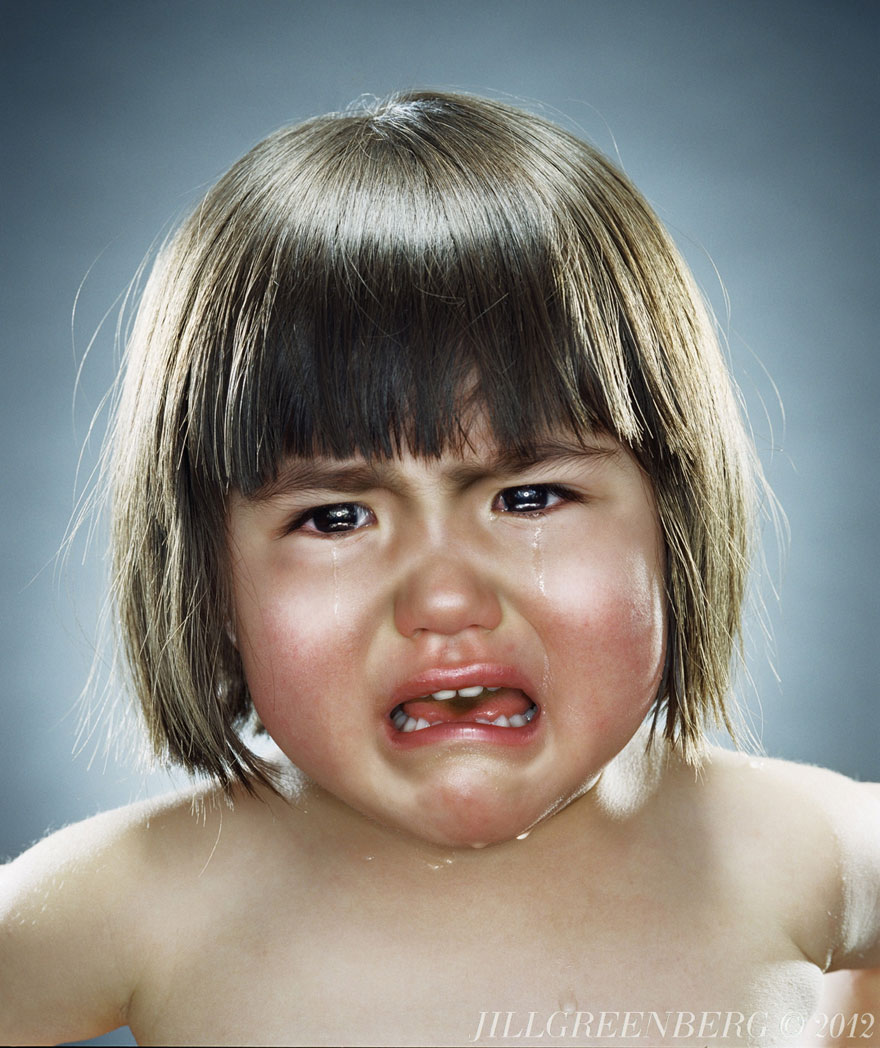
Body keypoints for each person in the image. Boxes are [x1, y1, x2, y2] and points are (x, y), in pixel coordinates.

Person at [1, 92, 877, 1048]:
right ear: (207, 582)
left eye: (530, 499)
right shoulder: (141, 901)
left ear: (674, 516)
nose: (445, 600)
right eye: (335, 517)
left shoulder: (809, 852)